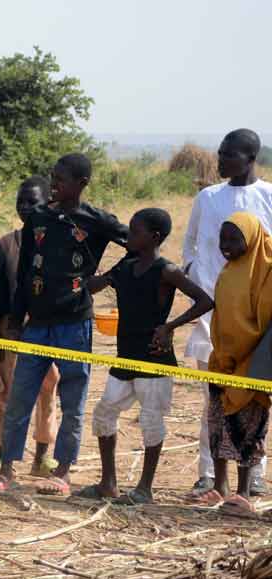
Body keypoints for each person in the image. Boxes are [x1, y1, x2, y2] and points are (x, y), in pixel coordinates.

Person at [0, 153, 128, 496]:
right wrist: (17, 318)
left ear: (81, 183)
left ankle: (62, 471)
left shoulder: (95, 220)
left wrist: (108, 278)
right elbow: (24, 272)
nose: (54, 184)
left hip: (74, 324)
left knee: (72, 400)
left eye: (61, 179)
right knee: (19, 397)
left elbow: (139, 245)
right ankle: (6, 469)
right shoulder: (38, 218)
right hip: (36, 323)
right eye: (53, 177)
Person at [79, 209, 212, 504]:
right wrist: (99, 273)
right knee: (104, 413)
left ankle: (144, 488)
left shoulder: (167, 270)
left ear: (154, 237)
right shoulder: (126, 266)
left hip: (154, 357)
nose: (129, 236)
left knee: (151, 420)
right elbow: (93, 286)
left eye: (135, 232)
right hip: (125, 355)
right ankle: (108, 483)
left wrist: (170, 327)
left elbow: (205, 301)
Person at [181, 129, 272, 498]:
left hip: (256, 321)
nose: (220, 160)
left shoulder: (268, 196)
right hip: (212, 316)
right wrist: (194, 275)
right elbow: (191, 243)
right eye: (220, 153)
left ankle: (255, 476)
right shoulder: (208, 198)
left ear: (250, 158)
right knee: (213, 399)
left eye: (228, 154)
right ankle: (209, 475)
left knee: (255, 400)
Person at [201, 213, 272, 512]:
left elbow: (261, 322)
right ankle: (220, 486)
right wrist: (223, 353)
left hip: (252, 361)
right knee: (218, 423)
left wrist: (239, 351)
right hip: (223, 359)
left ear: (252, 239)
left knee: (247, 427)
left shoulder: (266, 271)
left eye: (234, 239)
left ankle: (243, 493)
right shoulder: (229, 271)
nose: (226, 246)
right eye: (222, 239)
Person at [0, 178, 60, 476]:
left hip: (45, 328)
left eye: (33, 202)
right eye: (21, 201)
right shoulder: (8, 243)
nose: (25, 207)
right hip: (10, 329)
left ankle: (42, 456)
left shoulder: (58, 241)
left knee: (47, 390)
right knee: (5, 393)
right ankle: (0, 455)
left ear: (49, 203)